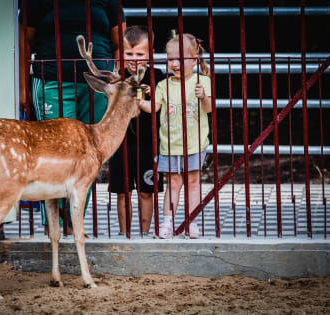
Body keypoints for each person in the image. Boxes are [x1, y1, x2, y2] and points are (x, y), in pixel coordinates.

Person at [19, 0, 126, 234]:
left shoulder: (110, 2)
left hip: (98, 85)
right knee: (54, 151)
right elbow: (24, 40)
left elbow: (120, 44)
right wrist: (22, 86)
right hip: (50, 80)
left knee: (88, 153)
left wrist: (118, 85)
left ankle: (74, 222)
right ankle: (53, 224)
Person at [139, 32, 212, 239]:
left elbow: (209, 109)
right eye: (171, 59)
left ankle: (192, 222)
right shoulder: (163, 85)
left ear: (194, 60)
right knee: (173, 183)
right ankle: (167, 223)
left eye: (181, 59)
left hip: (195, 143)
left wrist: (204, 97)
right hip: (170, 144)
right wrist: (138, 102)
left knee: (193, 182)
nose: (175, 63)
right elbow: (154, 108)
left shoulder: (202, 81)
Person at [109, 25, 164, 236]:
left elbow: (157, 111)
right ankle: (125, 236)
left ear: (150, 54)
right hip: (120, 143)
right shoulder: (116, 76)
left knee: (146, 192)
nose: (133, 59)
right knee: (122, 193)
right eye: (129, 54)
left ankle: (143, 236)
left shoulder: (158, 76)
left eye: (140, 54)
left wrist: (144, 95)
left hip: (148, 143)